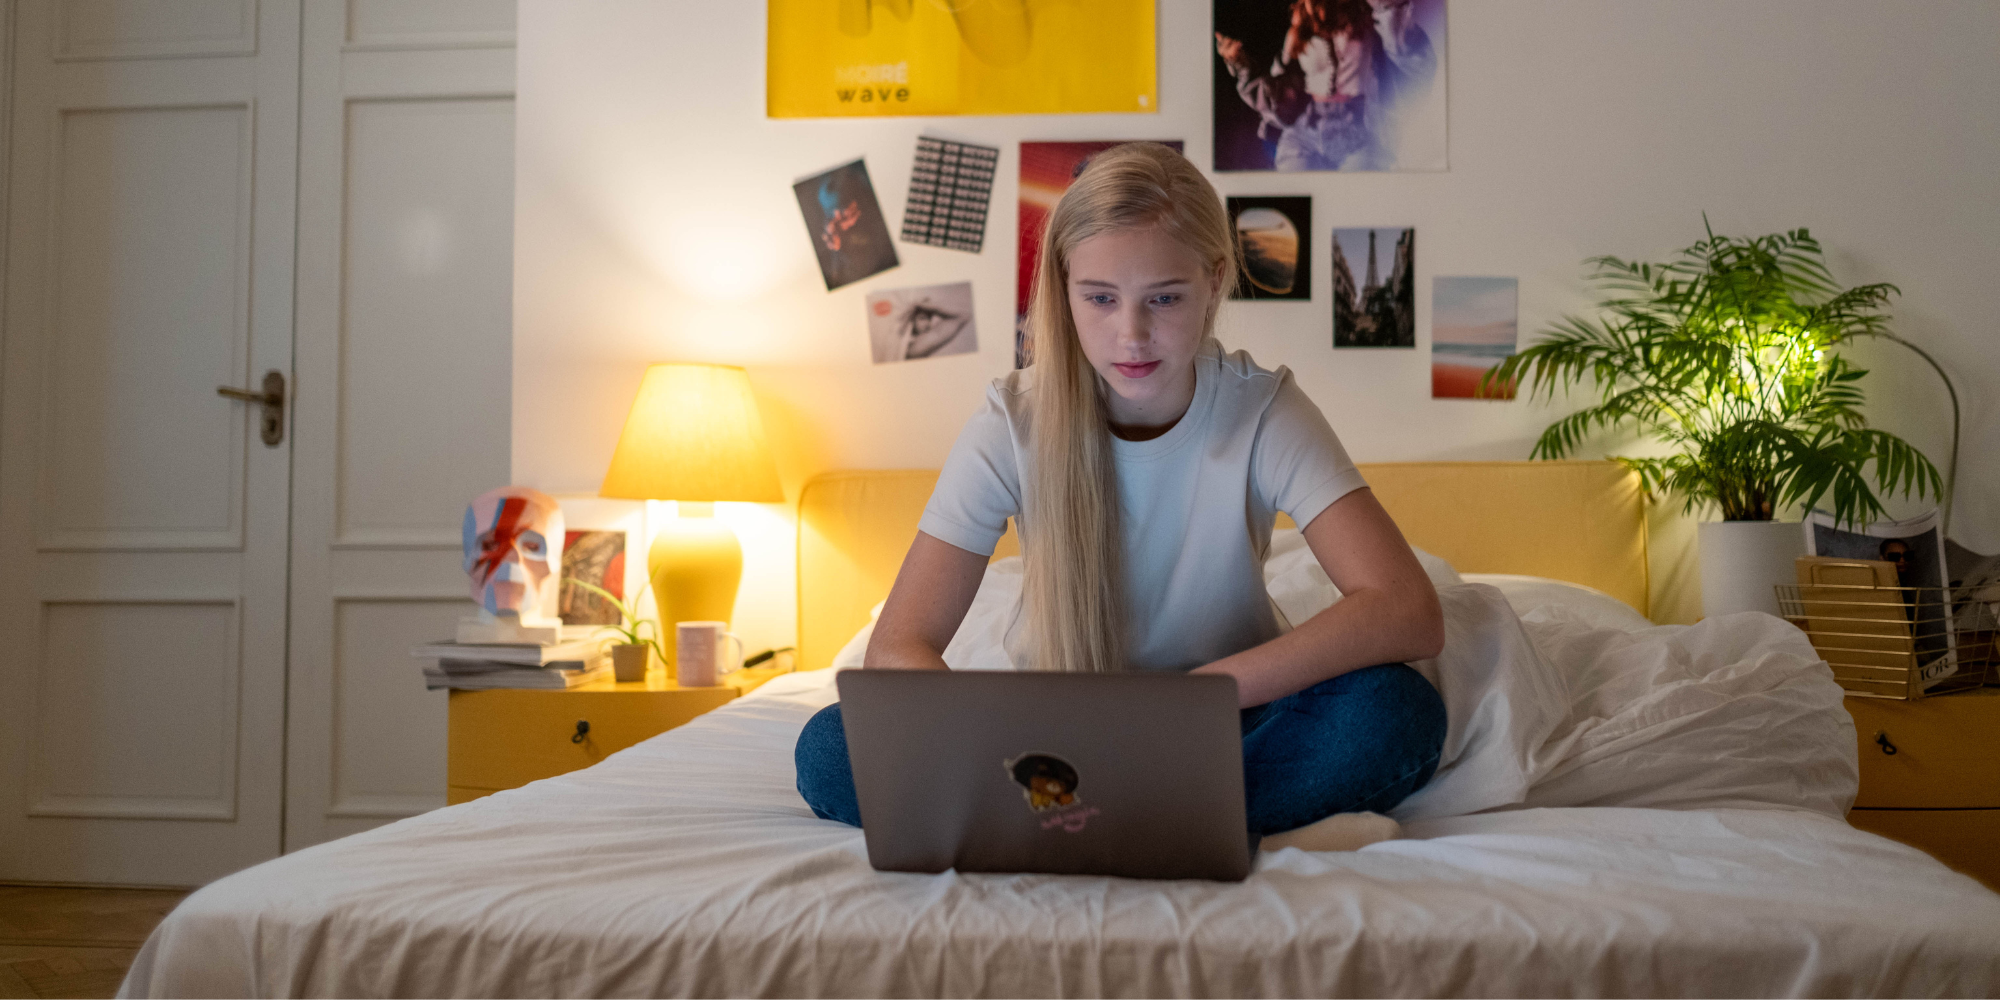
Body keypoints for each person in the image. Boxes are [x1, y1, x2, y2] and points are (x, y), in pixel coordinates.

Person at [795, 143, 1447, 851]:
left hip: (1226, 719)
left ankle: (1068, 824)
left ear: (1214, 280)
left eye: (1163, 298)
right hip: (1045, 743)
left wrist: (1194, 699)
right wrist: (982, 736)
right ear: (1064, 287)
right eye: (1100, 298)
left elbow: (1405, 608)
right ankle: (1203, 821)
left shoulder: (1265, 412)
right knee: (830, 746)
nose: (1130, 334)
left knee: (1395, 711)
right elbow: (897, 649)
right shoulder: (1010, 423)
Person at [1216, 0, 1437, 171]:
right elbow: (1276, 92)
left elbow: (1407, 52)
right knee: (1294, 186)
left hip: (1360, 125)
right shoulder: (1299, 29)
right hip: (1308, 127)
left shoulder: (1367, 16)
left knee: (1361, 190)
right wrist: (1240, 63)